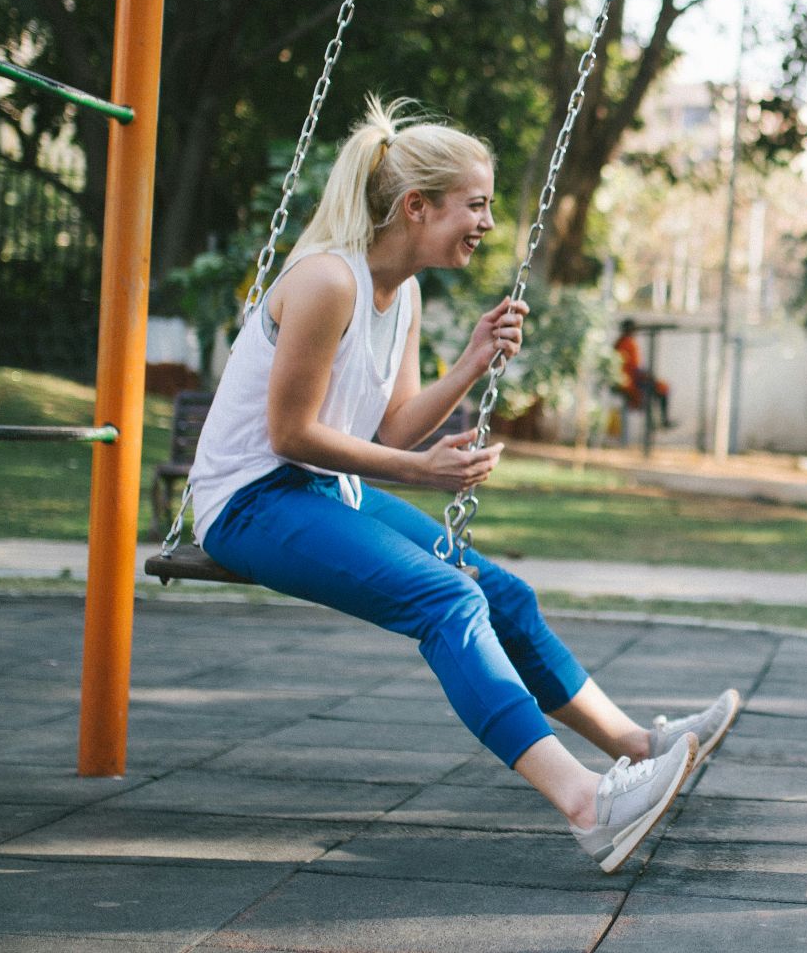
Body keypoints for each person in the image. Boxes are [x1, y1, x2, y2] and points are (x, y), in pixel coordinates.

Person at [189, 97, 739, 873]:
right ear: (417, 207)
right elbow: (290, 436)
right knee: (447, 599)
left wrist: (473, 360)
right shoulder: (325, 281)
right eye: (474, 204)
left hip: (317, 494)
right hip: (250, 501)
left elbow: (395, 428)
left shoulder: (402, 292)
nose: (485, 221)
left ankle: (640, 745)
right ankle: (587, 804)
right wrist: (420, 473)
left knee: (501, 593)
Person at [614, 318, 674, 429]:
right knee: (656, 390)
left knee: (661, 388)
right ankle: (660, 422)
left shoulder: (623, 342)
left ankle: (658, 422)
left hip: (630, 379)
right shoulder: (626, 343)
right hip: (630, 381)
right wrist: (645, 375)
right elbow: (631, 367)